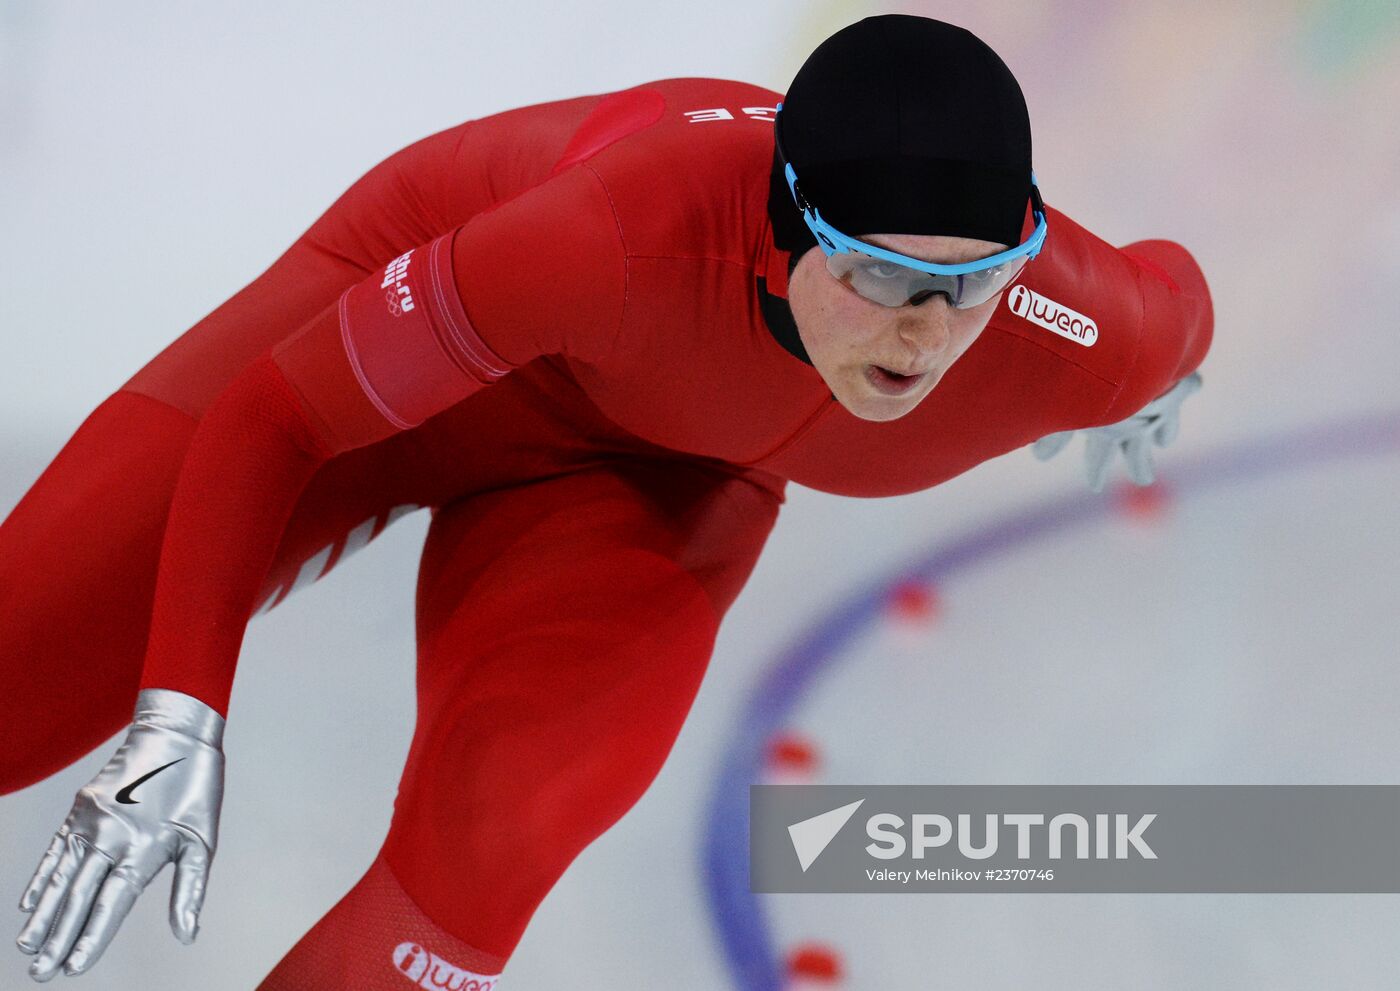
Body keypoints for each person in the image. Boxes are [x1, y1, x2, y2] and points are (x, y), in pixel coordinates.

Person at [3, 14, 1211, 987]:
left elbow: (1176, 300)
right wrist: (178, 724)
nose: (925, 333)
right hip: (426, 342)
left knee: (501, 834)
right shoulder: (621, 235)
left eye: (976, 279)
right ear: (785, 236)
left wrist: (1154, 377)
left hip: (662, 477)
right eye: (882, 273)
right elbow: (274, 419)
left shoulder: (1080, 337)